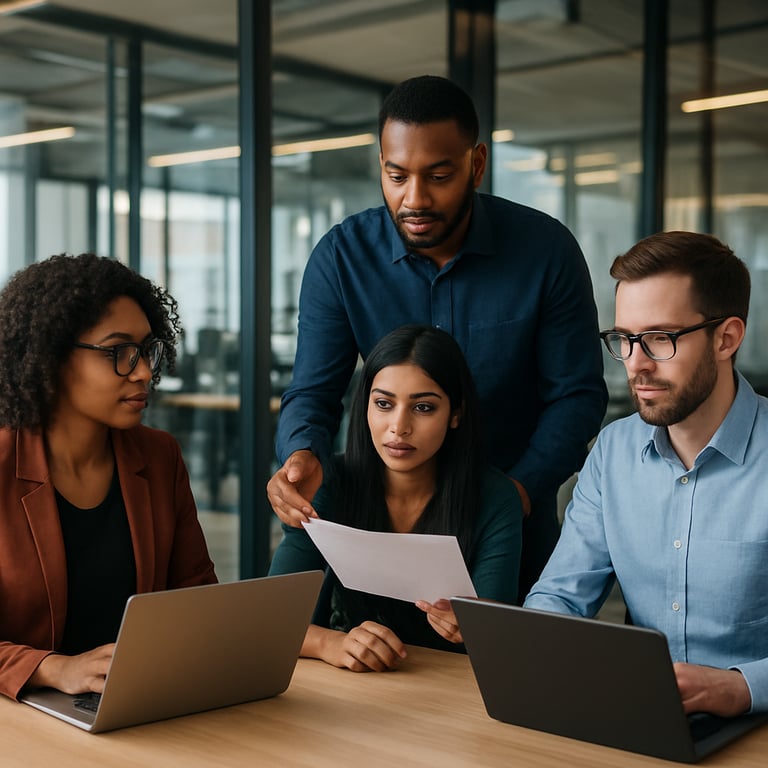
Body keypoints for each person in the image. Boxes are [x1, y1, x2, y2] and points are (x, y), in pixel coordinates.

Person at [267, 74, 607, 600]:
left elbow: (577, 395)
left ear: (476, 164)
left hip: (510, 518)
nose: (414, 199)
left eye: (439, 176)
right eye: (396, 175)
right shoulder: (341, 258)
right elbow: (313, 391)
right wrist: (301, 454)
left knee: (504, 672)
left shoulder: (546, 252)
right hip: (379, 530)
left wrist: (516, 492)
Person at [525, 230, 768, 716]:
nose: (635, 366)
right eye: (624, 339)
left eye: (659, 339)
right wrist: (528, 638)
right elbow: (560, 597)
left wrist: (740, 688)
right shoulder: (614, 451)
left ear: (727, 338)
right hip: (643, 719)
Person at [0, 253, 217, 702]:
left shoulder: (158, 457)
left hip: (133, 703)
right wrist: (53, 667)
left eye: (145, 351)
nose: (142, 372)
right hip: (21, 716)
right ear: (51, 356)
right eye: (118, 352)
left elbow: (197, 600)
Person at [269, 324, 522, 672]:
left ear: (456, 414)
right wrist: (332, 643)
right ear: (365, 406)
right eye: (384, 404)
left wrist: (474, 626)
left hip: (451, 697)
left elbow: (498, 631)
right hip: (345, 690)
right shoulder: (329, 485)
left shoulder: (494, 497)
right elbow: (269, 620)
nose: (398, 426)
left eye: (423, 408)